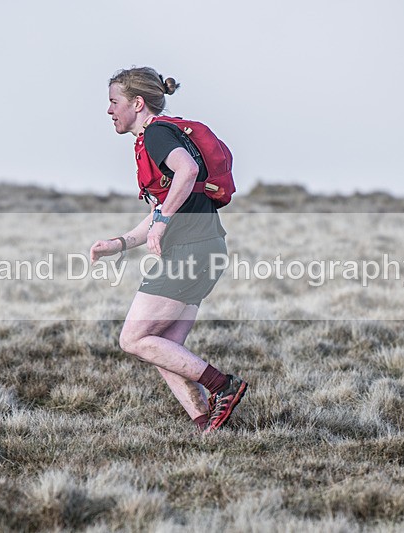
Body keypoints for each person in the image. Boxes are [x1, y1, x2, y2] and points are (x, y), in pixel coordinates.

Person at [89, 66, 247, 433]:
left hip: (191, 250)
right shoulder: (155, 140)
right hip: (207, 248)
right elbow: (161, 209)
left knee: (133, 338)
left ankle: (224, 386)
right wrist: (120, 243)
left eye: (114, 102)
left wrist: (162, 225)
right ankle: (206, 421)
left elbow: (187, 171)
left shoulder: (158, 133)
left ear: (137, 103)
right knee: (162, 346)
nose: (109, 111)